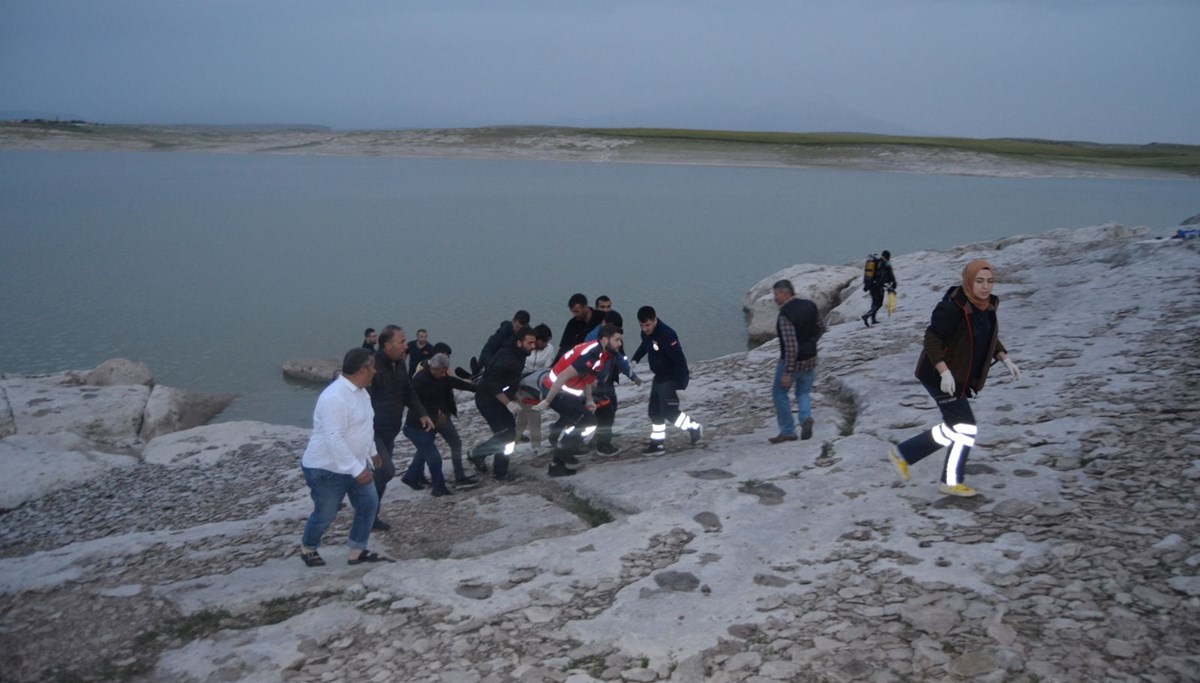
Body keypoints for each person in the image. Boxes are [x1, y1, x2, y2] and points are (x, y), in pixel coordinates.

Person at [886, 259, 1020, 497]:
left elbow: (987, 337)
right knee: (965, 427)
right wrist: (943, 371)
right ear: (968, 280)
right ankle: (949, 480)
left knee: (956, 427)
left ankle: (904, 454)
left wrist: (1004, 358)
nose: (985, 287)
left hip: (959, 376)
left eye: (990, 281)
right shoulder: (952, 308)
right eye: (979, 281)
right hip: (938, 376)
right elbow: (931, 339)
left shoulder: (986, 307)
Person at [298, 348, 394, 566]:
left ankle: (356, 551)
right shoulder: (335, 397)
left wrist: (372, 452)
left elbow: (365, 425)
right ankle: (308, 548)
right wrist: (356, 469)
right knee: (326, 513)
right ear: (363, 369)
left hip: (355, 464)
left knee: (369, 503)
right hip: (327, 469)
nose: (375, 371)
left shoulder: (362, 393)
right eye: (373, 367)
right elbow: (334, 438)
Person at [532, 324, 624, 476]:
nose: (620, 344)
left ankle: (562, 453)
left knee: (588, 417)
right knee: (587, 421)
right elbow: (562, 377)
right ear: (605, 339)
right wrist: (547, 401)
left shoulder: (602, 354)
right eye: (617, 340)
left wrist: (589, 400)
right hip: (555, 391)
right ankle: (560, 458)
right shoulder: (591, 354)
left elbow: (588, 378)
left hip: (567, 391)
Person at [367, 325, 433, 531]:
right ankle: (365, 511)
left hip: (390, 430)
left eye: (405, 341)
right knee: (386, 471)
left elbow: (408, 391)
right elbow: (362, 402)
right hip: (372, 431)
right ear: (387, 345)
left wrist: (422, 413)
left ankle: (371, 516)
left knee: (382, 477)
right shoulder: (373, 367)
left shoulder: (400, 364)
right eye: (401, 342)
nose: (406, 346)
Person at [628, 306, 702, 454]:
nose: (644, 329)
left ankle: (694, 427)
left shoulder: (667, 335)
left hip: (673, 376)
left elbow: (680, 360)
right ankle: (658, 444)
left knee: (669, 412)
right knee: (654, 412)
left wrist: (680, 385)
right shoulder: (646, 334)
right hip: (660, 376)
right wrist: (635, 359)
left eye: (647, 325)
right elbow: (646, 345)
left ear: (655, 320)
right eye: (641, 326)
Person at [469, 328, 537, 481]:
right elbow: (493, 385)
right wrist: (509, 404)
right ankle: (488, 462)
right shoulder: (506, 358)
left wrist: (516, 395)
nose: (533, 346)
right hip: (487, 399)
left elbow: (510, 381)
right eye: (530, 343)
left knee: (508, 433)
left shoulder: (519, 355)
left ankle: (492, 464)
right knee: (506, 433)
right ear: (519, 343)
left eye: (534, 342)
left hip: (499, 398)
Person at [404, 353, 473, 496]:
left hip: (442, 418)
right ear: (433, 368)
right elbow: (414, 403)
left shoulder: (443, 377)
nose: (443, 375)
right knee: (429, 454)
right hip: (424, 422)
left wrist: (476, 387)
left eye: (444, 372)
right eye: (440, 372)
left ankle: (460, 476)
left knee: (455, 443)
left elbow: (454, 382)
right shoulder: (419, 380)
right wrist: (433, 415)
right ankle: (423, 482)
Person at [769, 279, 824, 443]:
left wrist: (787, 371)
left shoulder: (786, 315)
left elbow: (791, 346)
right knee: (803, 391)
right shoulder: (809, 305)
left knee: (779, 393)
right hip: (811, 358)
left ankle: (788, 431)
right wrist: (811, 342)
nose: (775, 298)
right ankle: (805, 417)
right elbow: (821, 327)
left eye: (777, 294)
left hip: (792, 362)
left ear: (785, 293)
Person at [584, 309, 641, 454]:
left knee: (610, 409)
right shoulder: (592, 339)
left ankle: (600, 440)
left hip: (606, 381)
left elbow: (620, 358)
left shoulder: (610, 340)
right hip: (593, 384)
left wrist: (632, 376)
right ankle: (601, 444)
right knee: (599, 414)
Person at [514, 323, 556, 452]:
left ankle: (512, 440)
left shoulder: (549, 349)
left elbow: (546, 368)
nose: (547, 343)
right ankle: (536, 446)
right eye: (545, 341)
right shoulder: (525, 348)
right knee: (533, 416)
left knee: (523, 416)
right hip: (521, 386)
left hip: (535, 386)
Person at [555, 293, 598, 361]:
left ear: (585, 307)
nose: (574, 315)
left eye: (577, 311)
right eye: (573, 312)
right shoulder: (572, 323)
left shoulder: (599, 320)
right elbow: (564, 347)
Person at [862, 250, 897, 327]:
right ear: (887, 256)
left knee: (874, 302)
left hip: (871, 285)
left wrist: (866, 285)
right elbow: (890, 274)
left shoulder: (876, 262)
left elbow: (868, 275)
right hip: (878, 286)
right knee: (879, 303)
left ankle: (873, 319)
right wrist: (894, 283)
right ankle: (867, 316)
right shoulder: (885, 264)